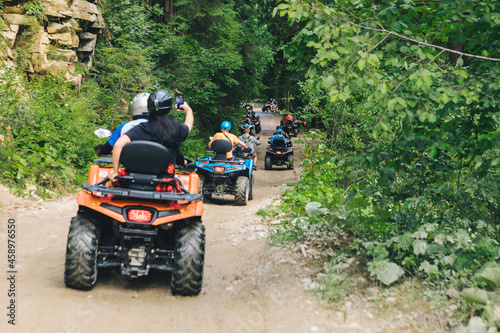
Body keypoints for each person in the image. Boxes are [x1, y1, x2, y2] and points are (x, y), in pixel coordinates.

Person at [109, 90, 194, 182]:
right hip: (164, 181)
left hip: (134, 179)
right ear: (168, 108)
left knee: (109, 184)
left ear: (149, 108)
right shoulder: (176, 128)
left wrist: (115, 172)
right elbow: (188, 126)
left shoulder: (142, 128)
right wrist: (189, 111)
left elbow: (118, 145)